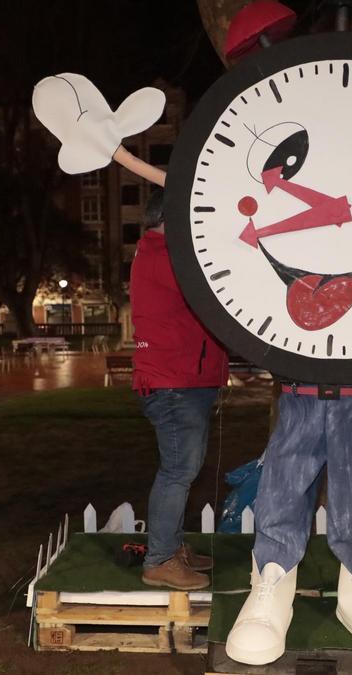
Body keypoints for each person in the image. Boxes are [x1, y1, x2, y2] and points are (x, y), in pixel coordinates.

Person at [131, 188, 229, 590]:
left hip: (184, 378)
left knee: (183, 470)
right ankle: (159, 560)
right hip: (175, 381)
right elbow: (211, 292)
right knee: (178, 471)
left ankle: (168, 548)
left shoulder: (160, 252)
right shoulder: (165, 255)